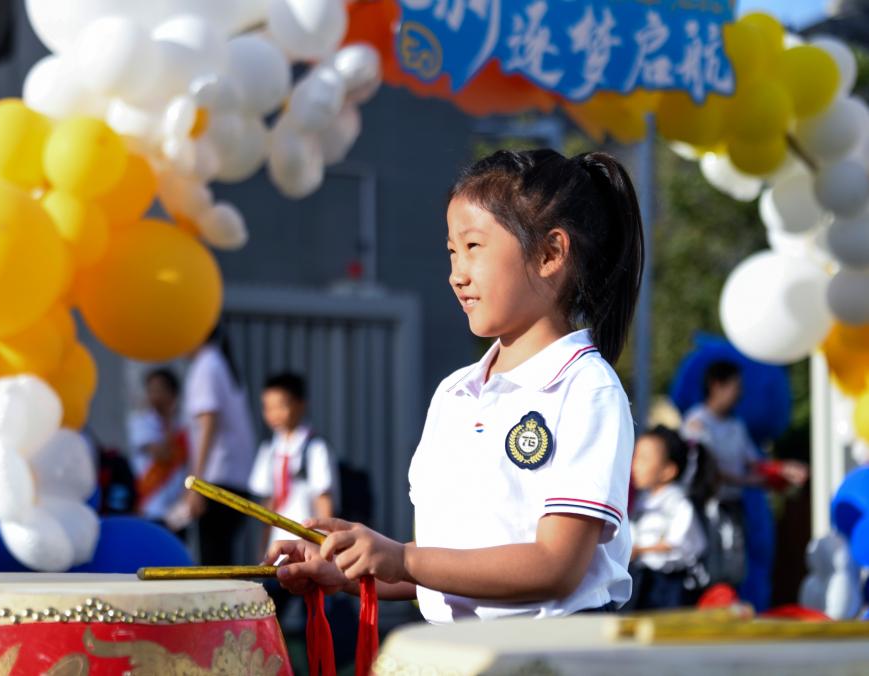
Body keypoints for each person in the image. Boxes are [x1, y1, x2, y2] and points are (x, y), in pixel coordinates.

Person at [265, 148, 644, 621]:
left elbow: (556, 564)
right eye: (450, 251)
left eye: (473, 247)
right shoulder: (454, 393)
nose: (456, 274)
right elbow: (448, 560)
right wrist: (353, 568)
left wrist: (402, 557)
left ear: (550, 254)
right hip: (459, 655)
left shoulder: (587, 389)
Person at [681, 361, 807, 583]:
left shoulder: (736, 426)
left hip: (732, 509)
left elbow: (755, 462)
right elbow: (710, 471)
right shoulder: (696, 422)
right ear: (716, 385)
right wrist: (751, 481)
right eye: (735, 386)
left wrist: (784, 470)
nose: (740, 393)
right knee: (708, 572)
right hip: (704, 511)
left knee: (734, 571)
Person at [182, 326, 257, 565]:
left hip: (217, 478)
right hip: (232, 477)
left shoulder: (208, 365)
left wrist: (197, 482)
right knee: (221, 557)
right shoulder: (219, 362)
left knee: (214, 562)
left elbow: (208, 423)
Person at [249, 372, 338, 555]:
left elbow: (324, 500)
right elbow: (268, 503)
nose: (274, 414)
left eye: (281, 406)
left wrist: (326, 547)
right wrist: (262, 548)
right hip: (277, 545)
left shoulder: (316, 448)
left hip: (309, 544)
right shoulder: (269, 450)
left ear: (300, 404)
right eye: (268, 408)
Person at [627, 426, 709, 610]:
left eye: (644, 459)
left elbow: (678, 544)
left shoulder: (678, 503)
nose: (635, 465)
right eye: (635, 456)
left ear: (668, 471)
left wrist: (640, 550)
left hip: (670, 585)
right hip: (643, 579)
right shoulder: (642, 500)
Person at [126, 368, 187, 530]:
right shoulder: (141, 422)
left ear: (173, 394)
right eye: (151, 390)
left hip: (177, 510)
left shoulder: (183, 425)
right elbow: (163, 455)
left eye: (160, 390)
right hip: (150, 506)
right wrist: (167, 419)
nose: (155, 396)